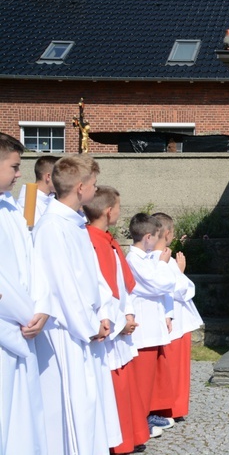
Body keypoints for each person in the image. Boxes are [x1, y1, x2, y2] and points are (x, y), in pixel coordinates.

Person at [33, 155, 122, 453]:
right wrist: (89, 324)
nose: (96, 191)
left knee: (92, 407)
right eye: (94, 185)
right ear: (81, 187)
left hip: (90, 327)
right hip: (68, 334)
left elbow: (94, 277)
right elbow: (62, 286)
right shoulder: (52, 227)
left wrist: (106, 313)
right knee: (75, 409)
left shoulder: (76, 224)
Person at [83, 186, 150, 453]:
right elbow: (100, 287)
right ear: (109, 211)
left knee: (125, 384)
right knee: (113, 386)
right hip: (110, 326)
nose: (120, 213)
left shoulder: (107, 241)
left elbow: (121, 284)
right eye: (119, 208)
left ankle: (130, 437)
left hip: (121, 320)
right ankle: (118, 442)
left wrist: (129, 312)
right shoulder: (92, 241)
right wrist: (120, 321)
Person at [0, 133, 49, 454]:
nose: (20, 174)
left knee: (23, 416)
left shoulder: (10, 207)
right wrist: (25, 314)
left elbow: (32, 261)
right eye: (15, 167)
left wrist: (41, 308)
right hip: (9, 324)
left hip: (25, 323)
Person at [125, 213, 177, 435]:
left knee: (151, 378)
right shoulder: (134, 259)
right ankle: (140, 420)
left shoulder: (144, 259)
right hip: (143, 329)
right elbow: (161, 284)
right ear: (147, 237)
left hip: (152, 326)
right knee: (141, 380)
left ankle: (146, 414)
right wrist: (163, 264)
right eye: (156, 237)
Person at [149, 212, 203, 420]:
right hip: (176, 322)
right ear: (169, 234)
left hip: (164, 321)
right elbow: (184, 290)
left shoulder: (146, 257)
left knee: (162, 368)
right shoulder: (166, 261)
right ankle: (172, 409)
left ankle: (162, 408)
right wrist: (180, 272)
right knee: (175, 370)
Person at [16, 154, 59, 225]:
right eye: (60, 176)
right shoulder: (28, 203)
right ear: (48, 176)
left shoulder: (51, 198)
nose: (62, 180)